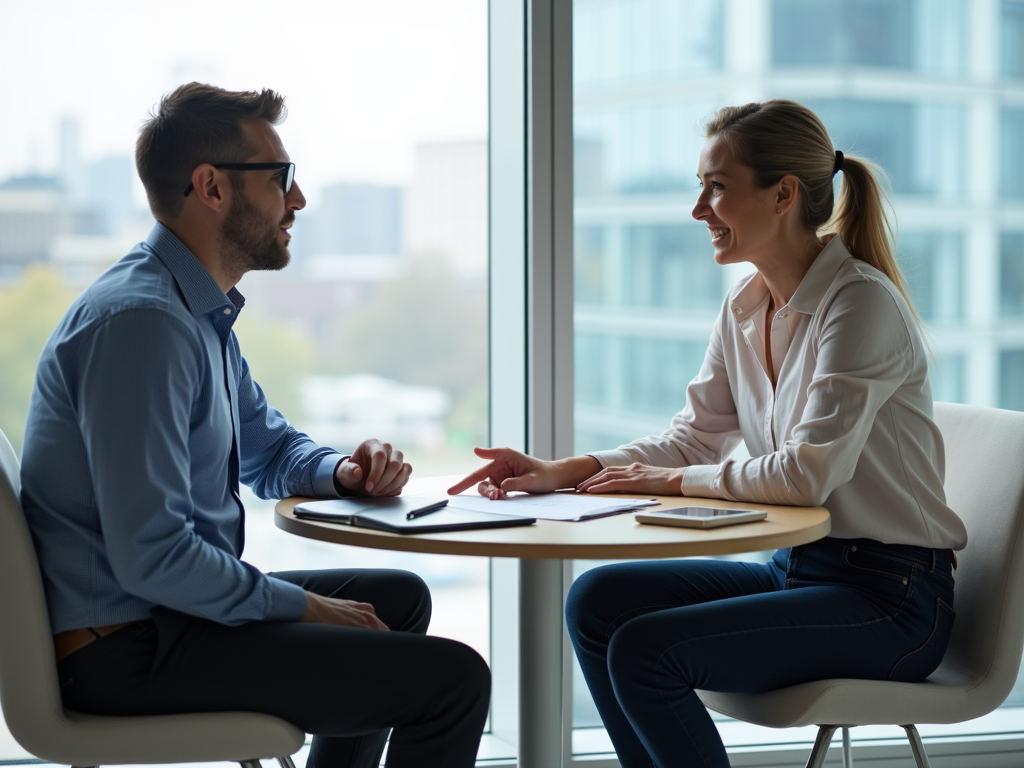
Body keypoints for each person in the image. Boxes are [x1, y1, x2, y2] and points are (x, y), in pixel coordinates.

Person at [449, 99, 967, 768]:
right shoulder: (747, 304)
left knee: (647, 651)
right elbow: (696, 438)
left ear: (781, 194)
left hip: (893, 600)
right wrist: (562, 470)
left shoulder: (859, 302)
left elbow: (803, 474)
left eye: (716, 187)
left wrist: (667, 482)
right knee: (597, 601)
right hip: (802, 570)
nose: (698, 210)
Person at [20, 83, 489, 768]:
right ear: (211, 187)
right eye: (282, 178)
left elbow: (269, 448)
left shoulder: (193, 311)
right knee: (454, 681)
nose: (297, 200)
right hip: (127, 648)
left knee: (397, 597)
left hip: (162, 621)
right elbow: (153, 557)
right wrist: (301, 608)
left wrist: (340, 472)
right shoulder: (143, 325)